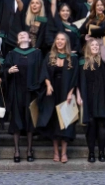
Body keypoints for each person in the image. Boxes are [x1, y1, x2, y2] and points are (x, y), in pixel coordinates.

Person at [4, 30, 44, 162]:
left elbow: (41, 71)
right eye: (19, 35)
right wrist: (9, 71)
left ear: (29, 39)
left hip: (31, 91)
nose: (22, 35)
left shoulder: (37, 53)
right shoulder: (12, 53)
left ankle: (29, 149)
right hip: (16, 91)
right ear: (17, 40)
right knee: (16, 119)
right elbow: (4, 70)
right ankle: (16, 150)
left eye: (24, 34)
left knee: (30, 120)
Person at [38, 32, 79, 163]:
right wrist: (48, 85)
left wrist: (70, 93)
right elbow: (44, 72)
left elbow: (75, 77)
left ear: (66, 42)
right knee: (54, 121)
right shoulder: (50, 56)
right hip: (53, 92)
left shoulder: (73, 58)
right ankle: (56, 152)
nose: (60, 42)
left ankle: (64, 152)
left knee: (66, 121)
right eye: (58, 39)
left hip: (66, 91)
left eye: (62, 39)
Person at [78, 37, 105, 162]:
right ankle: (91, 152)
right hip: (88, 97)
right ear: (88, 48)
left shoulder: (102, 61)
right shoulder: (82, 61)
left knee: (102, 125)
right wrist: (78, 95)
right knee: (90, 126)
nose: (95, 47)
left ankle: (102, 152)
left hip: (102, 97)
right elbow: (78, 81)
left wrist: (101, 43)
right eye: (92, 45)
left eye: (96, 46)